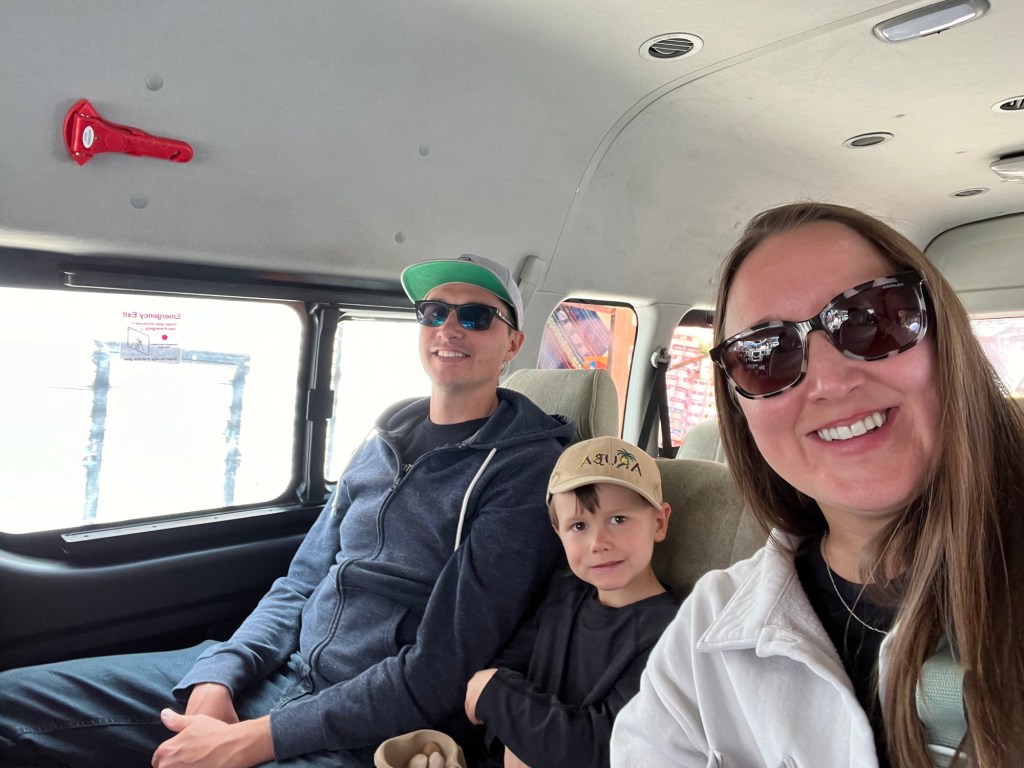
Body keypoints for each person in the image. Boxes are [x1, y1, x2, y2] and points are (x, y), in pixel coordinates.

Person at [0, 254, 575, 768]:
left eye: (475, 317)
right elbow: (301, 582)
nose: (448, 328)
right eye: (434, 312)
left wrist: (256, 739)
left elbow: (440, 669)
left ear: (513, 344)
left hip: (369, 724)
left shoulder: (524, 470)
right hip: (276, 673)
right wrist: (219, 677)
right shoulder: (385, 439)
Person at [611, 202, 1024, 768]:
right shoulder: (705, 633)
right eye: (765, 354)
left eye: (872, 318)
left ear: (942, 335)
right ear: (740, 410)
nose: (829, 381)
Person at [465, 436, 678, 768]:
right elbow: (507, 667)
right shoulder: (562, 597)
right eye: (578, 526)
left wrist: (500, 701)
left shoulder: (672, 635)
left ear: (659, 523)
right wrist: (519, 735)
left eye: (618, 519)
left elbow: (609, 744)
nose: (598, 542)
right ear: (558, 534)